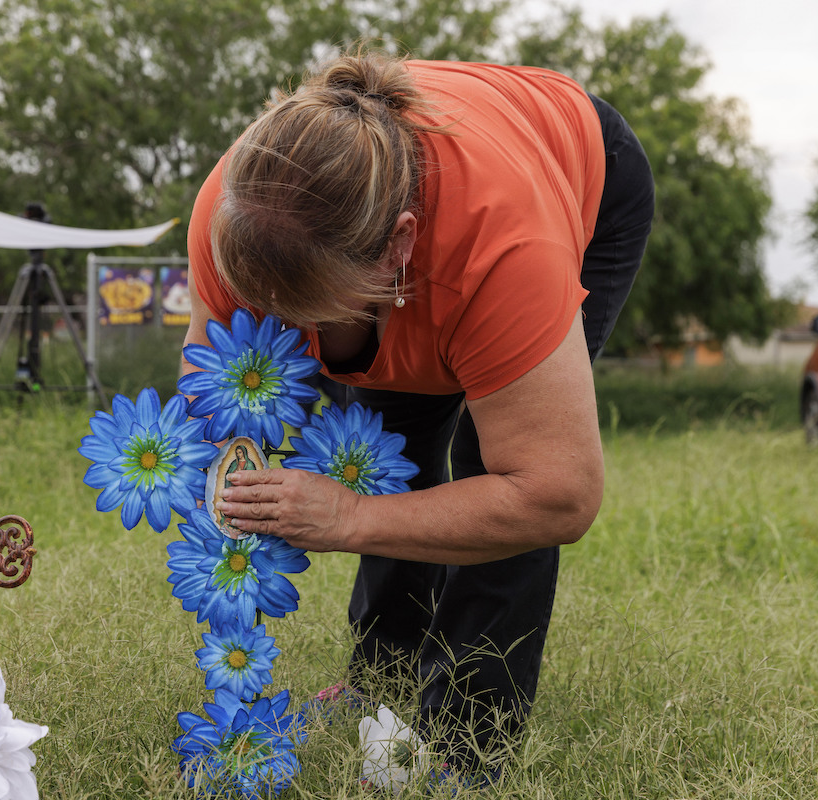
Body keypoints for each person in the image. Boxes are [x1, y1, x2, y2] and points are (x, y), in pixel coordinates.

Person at [182, 46, 654, 780]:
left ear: (398, 247)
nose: (283, 333)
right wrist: (222, 462)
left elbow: (554, 494)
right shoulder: (238, 211)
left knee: (493, 466)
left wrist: (348, 519)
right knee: (385, 441)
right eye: (264, 308)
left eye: (303, 314)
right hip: (390, 242)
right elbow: (210, 374)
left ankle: (465, 736)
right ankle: (384, 681)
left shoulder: (504, 250)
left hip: (576, 169)